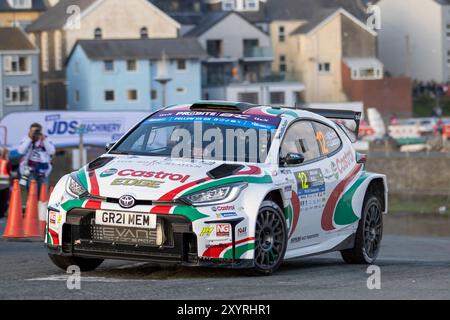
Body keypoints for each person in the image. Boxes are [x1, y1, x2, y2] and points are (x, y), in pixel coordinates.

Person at [17, 123, 55, 192]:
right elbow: (20, 151)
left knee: (43, 193)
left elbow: (51, 151)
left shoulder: (46, 139)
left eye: (37, 131)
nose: (35, 133)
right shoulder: (26, 139)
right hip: (29, 170)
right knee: (32, 192)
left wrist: (44, 140)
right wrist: (30, 139)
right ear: (29, 131)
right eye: (33, 131)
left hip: (43, 171)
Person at [0, 147, 10, 218]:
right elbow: (9, 172)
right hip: (5, 185)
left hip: (3, 185)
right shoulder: (7, 162)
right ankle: (2, 214)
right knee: (4, 201)